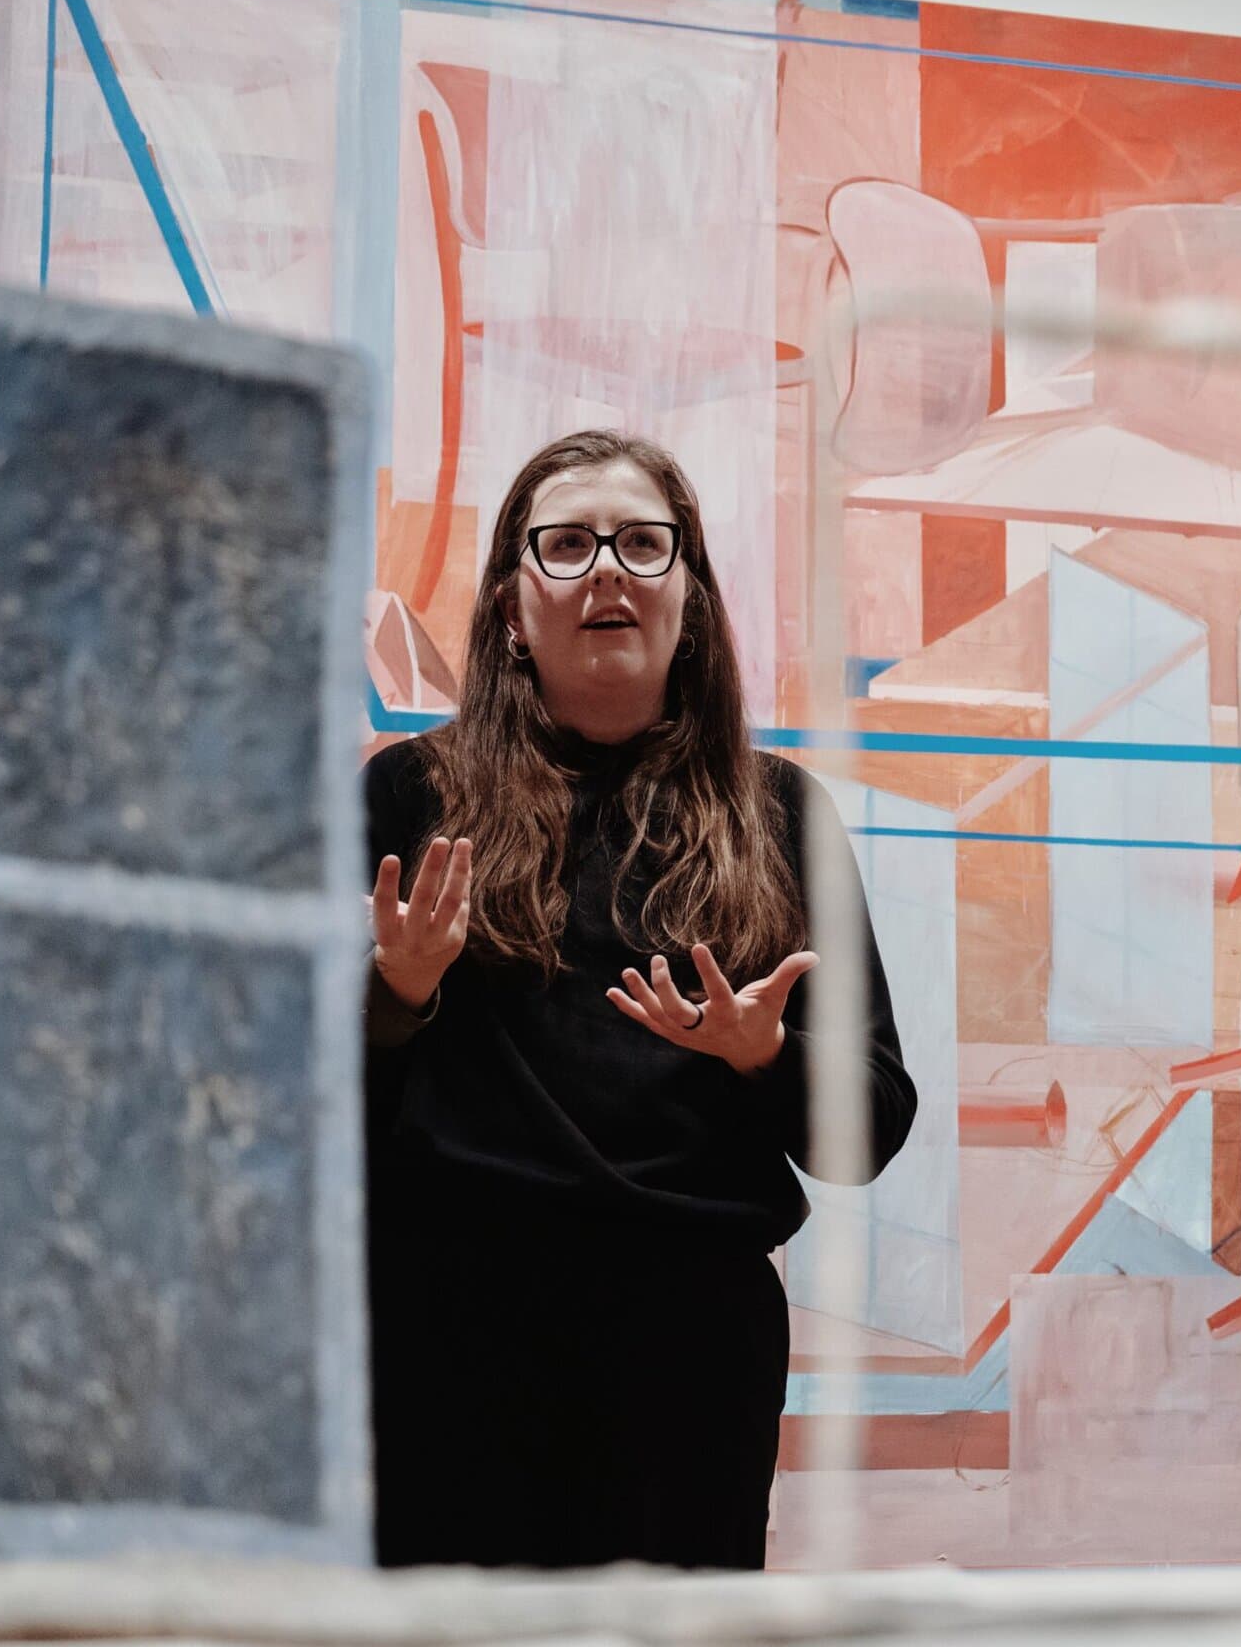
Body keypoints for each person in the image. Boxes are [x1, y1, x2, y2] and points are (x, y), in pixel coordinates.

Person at [361, 428, 917, 1570]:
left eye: (641, 544)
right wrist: (395, 993)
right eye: (566, 544)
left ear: (691, 602)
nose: (606, 569)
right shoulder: (412, 795)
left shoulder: (780, 814)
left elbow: (873, 1122)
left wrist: (765, 1055)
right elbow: (292, 1102)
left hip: (691, 1347)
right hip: (448, 1329)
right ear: (511, 608)